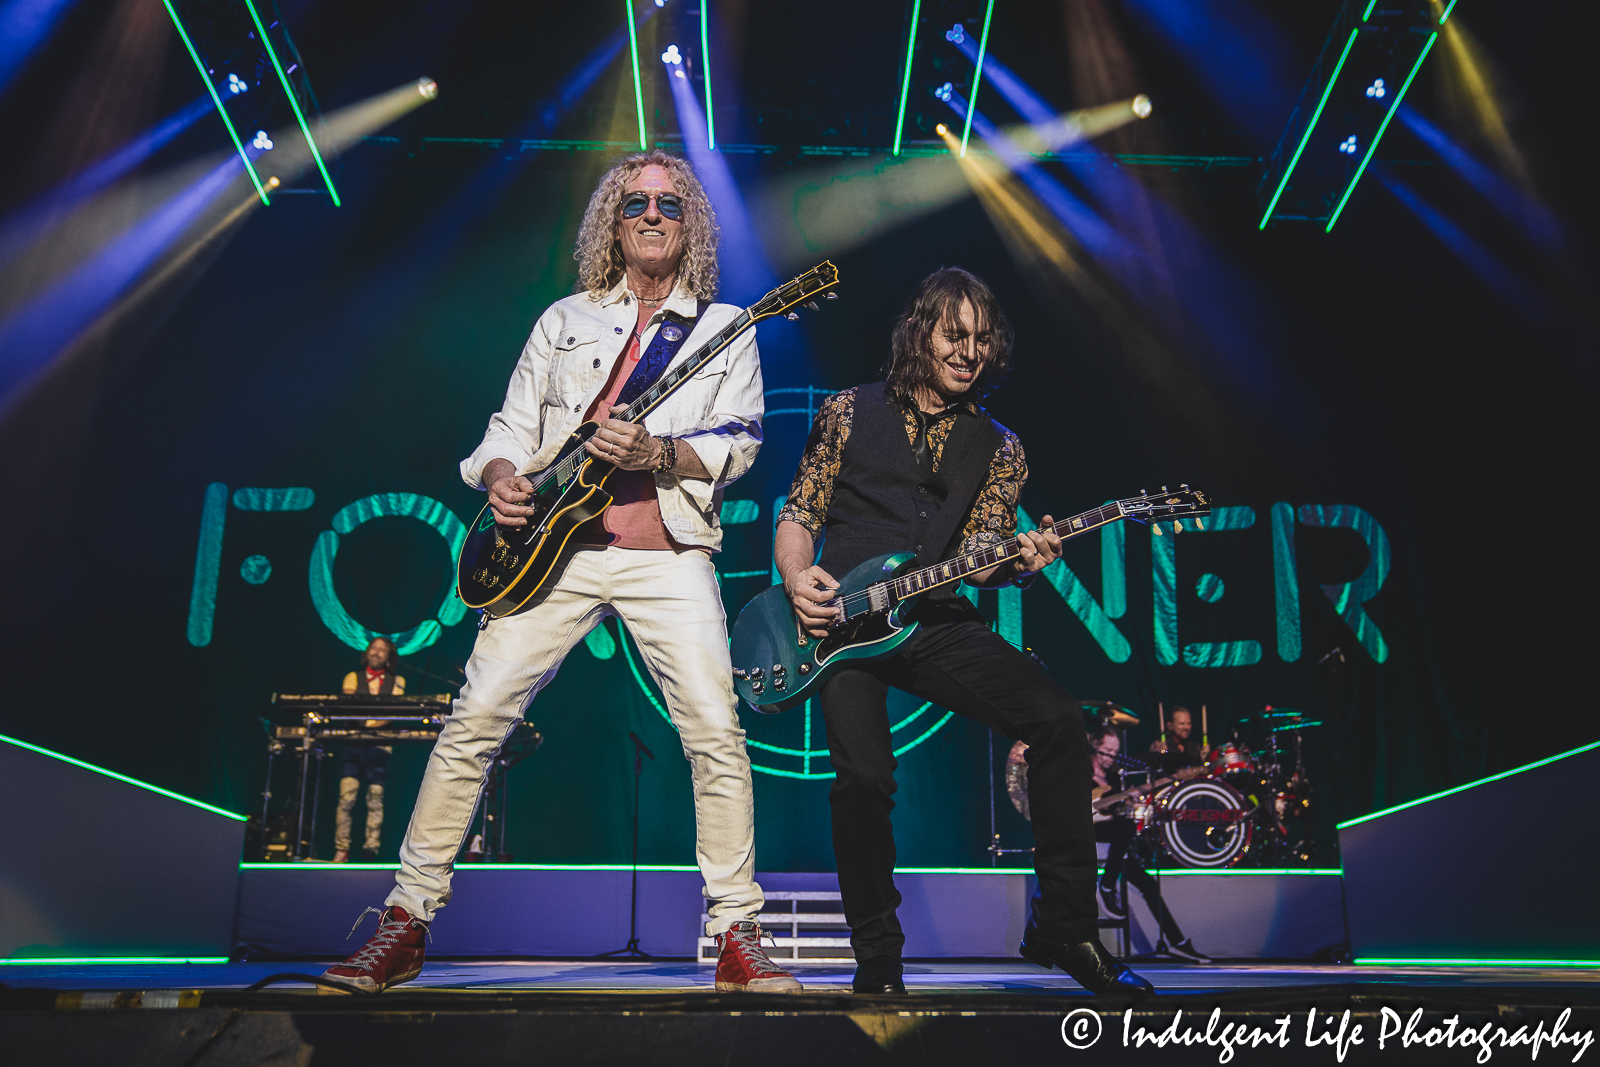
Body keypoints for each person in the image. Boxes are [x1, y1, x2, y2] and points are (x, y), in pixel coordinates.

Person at [323, 150, 798, 995]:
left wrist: (658, 450)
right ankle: (403, 921)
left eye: (670, 203)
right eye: (634, 202)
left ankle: (735, 932)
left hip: (669, 555)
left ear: (692, 224)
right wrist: (504, 478)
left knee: (715, 734)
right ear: (610, 223)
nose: (651, 214)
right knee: (475, 720)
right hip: (552, 552)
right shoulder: (564, 317)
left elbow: (744, 439)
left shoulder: (726, 323)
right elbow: (509, 424)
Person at [773, 267, 1151, 995]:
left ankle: (1064, 926)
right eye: (955, 333)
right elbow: (801, 511)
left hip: (934, 615)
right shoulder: (848, 410)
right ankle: (878, 952)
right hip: (842, 626)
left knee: (1057, 717)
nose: (968, 350)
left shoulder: (1002, 448)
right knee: (862, 777)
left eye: (982, 339)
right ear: (922, 331)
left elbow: (983, 563)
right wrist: (796, 578)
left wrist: (1022, 565)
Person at [1090, 727, 1210, 963]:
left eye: (1115, 751)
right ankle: (1107, 885)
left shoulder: (1113, 778)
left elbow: (1113, 814)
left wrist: (1129, 801)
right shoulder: (1079, 772)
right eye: (1106, 751)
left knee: (1148, 883)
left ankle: (1177, 942)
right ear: (1094, 746)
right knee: (1124, 829)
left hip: (1110, 836)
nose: (1111, 756)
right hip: (1083, 833)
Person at [332, 637, 405, 864]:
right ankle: (341, 849)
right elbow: (348, 705)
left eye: (382, 650)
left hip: (380, 746)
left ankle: (370, 851)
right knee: (347, 797)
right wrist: (366, 724)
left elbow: (396, 711)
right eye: (374, 648)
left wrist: (372, 725)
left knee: (375, 798)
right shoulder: (352, 677)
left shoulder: (397, 680)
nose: (376, 653)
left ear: (389, 656)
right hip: (353, 744)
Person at [1149, 705, 1205, 771]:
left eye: (1189, 724)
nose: (1186, 727)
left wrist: (1205, 759)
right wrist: (1159, 756)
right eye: (1181, 724)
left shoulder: (1195, 747)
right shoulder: (1159, 745)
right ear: (1170, 726)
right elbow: (1153, 773)